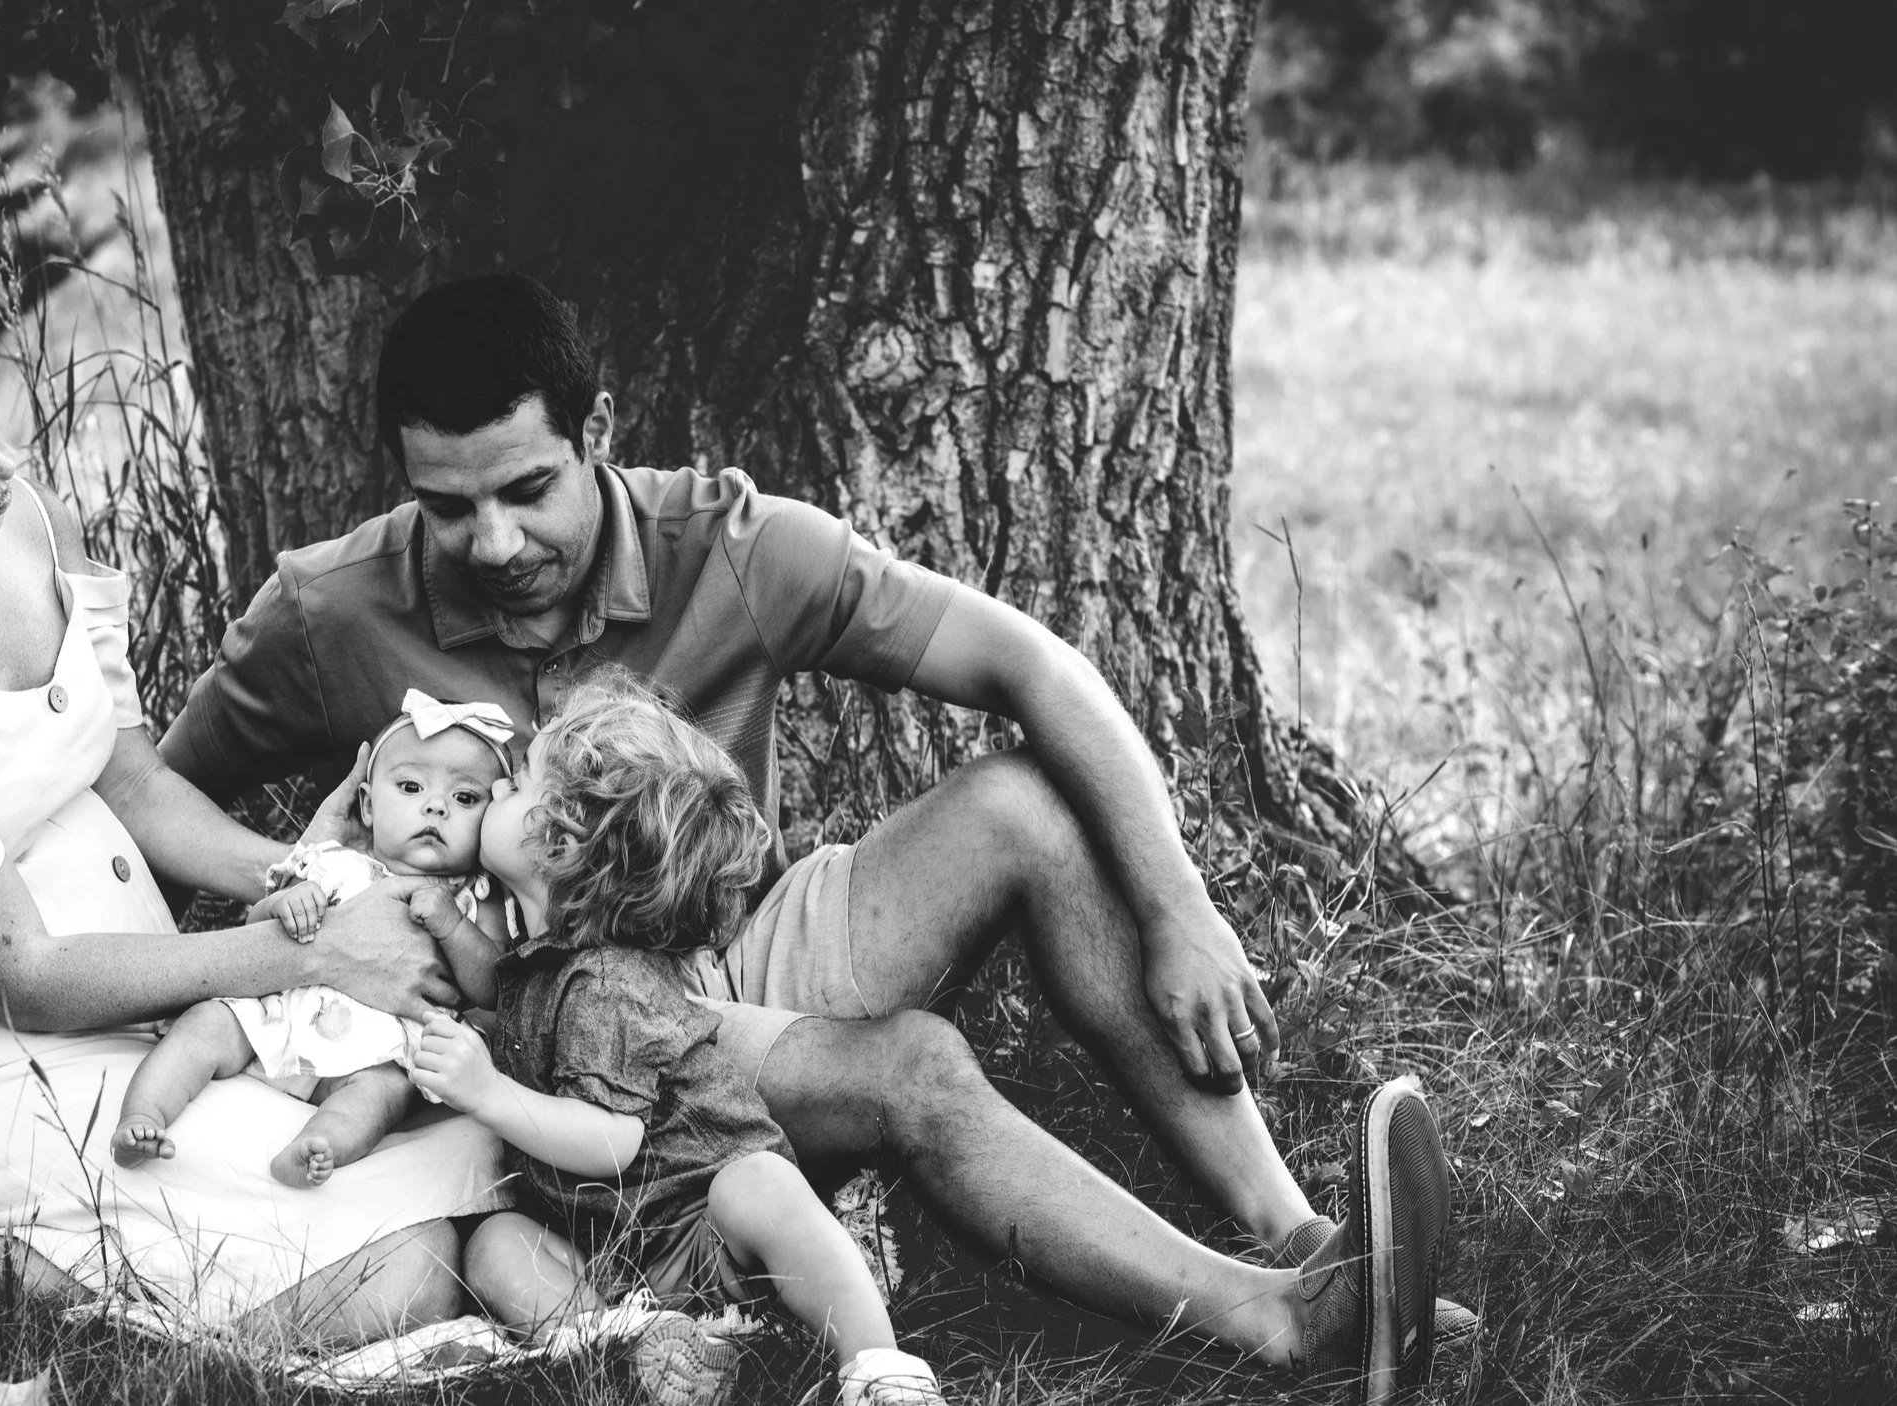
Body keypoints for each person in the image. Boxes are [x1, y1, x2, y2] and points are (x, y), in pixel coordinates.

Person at [159, 273, 1461, 1398]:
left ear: (598, 431)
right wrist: (303, 886)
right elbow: (152, 802)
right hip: (555, 1015)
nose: (492, 541)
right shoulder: (331, 609)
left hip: (728, 941)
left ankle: (1301, 1237)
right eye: (449, 507)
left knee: (1023, 802)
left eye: (527, 489)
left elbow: (1034, 665)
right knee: (915, 1066)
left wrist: (1178, 906)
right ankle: (1279, 1323)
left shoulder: (730, 548)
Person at [0, 277, 508, 1340]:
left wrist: (326, 884)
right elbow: (14, 972)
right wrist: (311, 957)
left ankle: (64, 1275)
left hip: (155, 1001)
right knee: (403, 1272)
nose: (2, 464)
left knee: (480, 1139)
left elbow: (133, 781)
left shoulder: (19, 522)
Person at [417, 670, 949, 1406]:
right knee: (496, 1244)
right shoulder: (545, 962)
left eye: (516, 788)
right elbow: (506, 1005)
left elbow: (610, 1144)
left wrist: (488, 1092)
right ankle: (627, 1344)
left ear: (560, 841)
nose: (499, 789)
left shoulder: (606, 983)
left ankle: (877, 1362)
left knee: (759, 1183)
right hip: (614, 1253)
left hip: (706, 1236)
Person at [110, 691, 513, 1188]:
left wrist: (453, 927)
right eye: (410, 787)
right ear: (366, 805)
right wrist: (284, 902)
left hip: (375, 1051)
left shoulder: (476, 901)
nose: (435, 806)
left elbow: (492, 989)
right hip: (278, 1016)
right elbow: (256, 926)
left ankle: (316, 1148)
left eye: (465, 798)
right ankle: (143, 1113)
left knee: (382, 1096)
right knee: (205, 1026)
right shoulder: (331, 859)